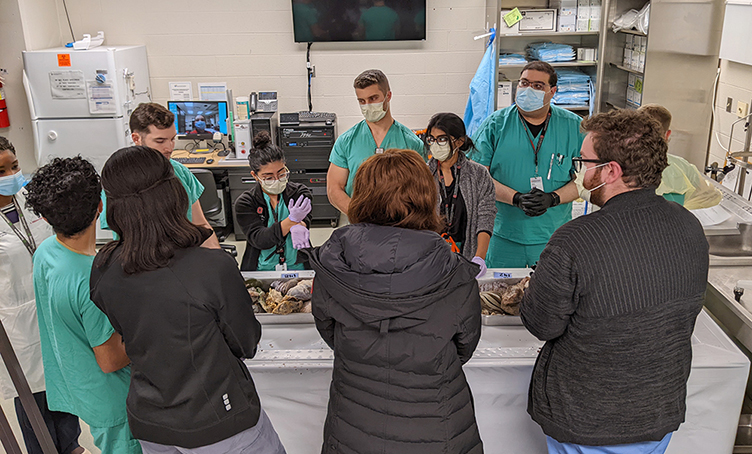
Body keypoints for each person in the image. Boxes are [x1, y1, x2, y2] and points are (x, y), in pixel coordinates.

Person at [520, 109, 709, 454]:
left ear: (611, 171)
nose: (580, 170)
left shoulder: (576, 240)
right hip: (657, 413)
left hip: (588, 420)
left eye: (585, 161)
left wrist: (535, 289)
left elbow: (541, 323)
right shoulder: (688, 225)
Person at [90, 146, 285, 454]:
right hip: (221, 420)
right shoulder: (211, 267)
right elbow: (245, 343)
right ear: (174, 193)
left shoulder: (103, 268)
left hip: (151, 424)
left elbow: (132, 332)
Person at [306, 149, 483, 454]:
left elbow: (330, 331)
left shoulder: (333, 265)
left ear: (361, 196)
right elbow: (465, 345)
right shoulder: (452, 271)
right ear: (427, 197)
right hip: (437, 425)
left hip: (354, 422)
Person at [24, 156, 140, 454]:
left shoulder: (46, 252)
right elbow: (111, 360)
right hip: (115, 401)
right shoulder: (94, 281)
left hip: (81, 386)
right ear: (101, 205)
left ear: (47, 218)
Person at [0, 137, 85, 454]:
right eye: (1, 170)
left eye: (14, 166)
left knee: (65, 380)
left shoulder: (31, 199)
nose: (11, 175)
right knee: (32, 394)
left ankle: (71, 445)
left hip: (54, 305)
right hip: (16, 321)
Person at [472, 61, 583, 268]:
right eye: (524, 83)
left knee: (550, 295)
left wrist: (553, 198)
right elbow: (478, 178)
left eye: (538, 86)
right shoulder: (495, 125)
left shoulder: (574, 127)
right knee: (498, 297)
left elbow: (588, 179)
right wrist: (515, 198)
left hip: (553, 236)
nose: (528, 90)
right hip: (503, 235)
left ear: (553, 92)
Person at [100, 102, 220, 248]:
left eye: (172, 139)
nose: (169, 148)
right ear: (136, 138)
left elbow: (201, 224)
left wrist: (217, 259)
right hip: (141, 260)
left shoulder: (180, 172)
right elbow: (124, 241)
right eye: (160, 141)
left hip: (184, 258)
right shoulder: (118, 179)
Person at [327, 69, 424, 217]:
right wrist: (359, 216)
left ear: (388, 96)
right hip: (360, 226)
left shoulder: (411, 143)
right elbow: (334, 188)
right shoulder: (346, 142)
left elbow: (420, 191)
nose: (367, 105)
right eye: (362, 101)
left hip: (401, 227)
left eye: (373, 98)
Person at [425, 113, 496, 277]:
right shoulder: (423, 175)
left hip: (467, 256)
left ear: (459, 141)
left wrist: (479, 257)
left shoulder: (478, 175)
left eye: (442, 139)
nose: (435, 144)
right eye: (431, 139)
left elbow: (485, 216)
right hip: (430, 261)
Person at [234, 131, 313, 271]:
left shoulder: (299, 193)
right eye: (268, 177)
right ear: (255, 176)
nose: (277, 180)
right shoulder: (246, 203)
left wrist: (301, 225)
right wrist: (292, 221)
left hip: (297, 265)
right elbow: (260, 239)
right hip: (262, 268)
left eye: (281, 173)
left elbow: (306, 219)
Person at [637, 103, 722, 209]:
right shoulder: (681, 167)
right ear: (667, 135)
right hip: (669, 222)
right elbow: (711, 197)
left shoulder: (620, 166)